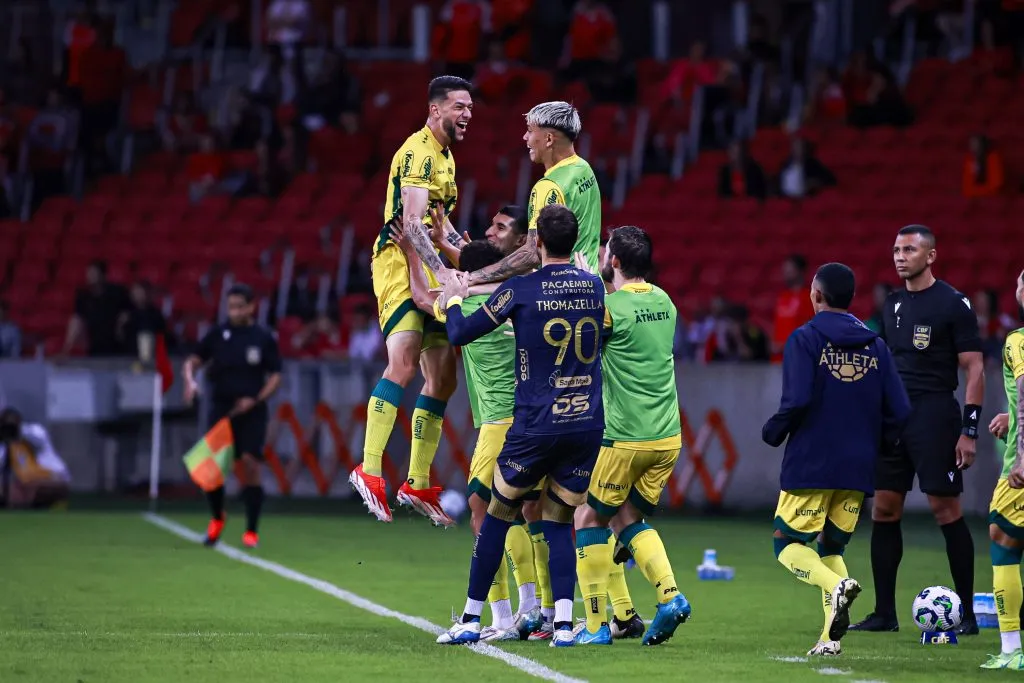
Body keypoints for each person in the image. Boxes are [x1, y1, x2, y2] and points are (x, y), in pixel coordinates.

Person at [435, 204, 605, 647]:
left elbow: (459, 333)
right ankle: (564, 627)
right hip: (585, 422)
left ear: (537, 244)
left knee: (496, 515)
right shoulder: (594, 287)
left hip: (536, 425)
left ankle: (472, 618)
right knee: (557, 520)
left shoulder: (522, 289)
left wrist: (455, 295)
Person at [396, 224, 542, 642]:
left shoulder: (474, 311)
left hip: (500, 424)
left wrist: (412, 254)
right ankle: (538, 609)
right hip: (535, 420)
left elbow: (425, 298)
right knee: (526, 514)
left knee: (482, 510)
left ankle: (499, 616)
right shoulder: (518, 298)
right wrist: (447, 244)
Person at [764, 263, 911, 657]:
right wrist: (877, 446)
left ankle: (834, 587)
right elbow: (900, 410)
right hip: (857, 466)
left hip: (812, 461)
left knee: (787, 544)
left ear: (816, 295)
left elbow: (796, 400)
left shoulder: (805, 338)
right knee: (832, 549)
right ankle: (829, 639)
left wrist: (773, 431)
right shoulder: (876, 344)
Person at [348, 75, 473, 526]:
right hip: (398, 261)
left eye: (470, 108)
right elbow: (413, 224)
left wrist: (468, 257)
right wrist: (442, 270)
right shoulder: (418, 152)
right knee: (402, 362)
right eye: (460, 107)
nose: (467, 116)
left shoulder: (446, 158)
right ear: (435, 109)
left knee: (442, 378)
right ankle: (370, 468)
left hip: (428, 260)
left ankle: (417, 481)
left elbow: (440, 229)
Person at [851, 225, 986, 634]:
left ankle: (965, 617)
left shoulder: (953, 303)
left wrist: (970, 430)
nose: (899, 256)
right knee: (884, 510)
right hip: (894, 419)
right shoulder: (891, 305)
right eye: (895, 249)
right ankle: (884, 614)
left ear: (930, 256)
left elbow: (975, 367)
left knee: (945, 510)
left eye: (909, 249)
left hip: (934, 416)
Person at [573, 225, 691, 647]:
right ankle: (669, 597)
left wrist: (589, 287)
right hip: (667, 438)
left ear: (614, 262)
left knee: (587, 516)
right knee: (626, 519)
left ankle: (593, 627)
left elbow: (584, 343)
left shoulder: (609, 308)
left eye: (607, 253)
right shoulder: (666, 302)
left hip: (626, 436)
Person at [183, 284, 282, 549]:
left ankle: (251, 530)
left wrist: (256, 399)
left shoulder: (263, 338)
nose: (235, 311)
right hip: (221, 411)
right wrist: (189, 380)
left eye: (240, 306)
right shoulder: (217, 335)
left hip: (252, 412)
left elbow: (275, 375)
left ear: (252, 307)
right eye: (231, 307)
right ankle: (217, 517)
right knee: (213, 471)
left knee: (250, 464)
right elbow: (193, 360)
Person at [461, 101, 601, 286]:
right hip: (591, 285)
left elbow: (532, 253)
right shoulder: (584, 168)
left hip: (562, 294)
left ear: (549, 139)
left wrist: (472, 277)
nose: (525, 137)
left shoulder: (548, 186)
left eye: (530, 130)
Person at [981, 269, 1024, 670]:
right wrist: (1011, 416)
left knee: (1004, 539)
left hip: (1021, 466)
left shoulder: (1017, 341)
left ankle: (1012, 650)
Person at [0, 407, 71, 509]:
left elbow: (37, 436)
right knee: (14, 488)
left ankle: (48, 504)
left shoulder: (35, 433)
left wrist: (17, 429)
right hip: (30, 482)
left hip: (55, 478)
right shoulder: (7, 447)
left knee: (26, 489)